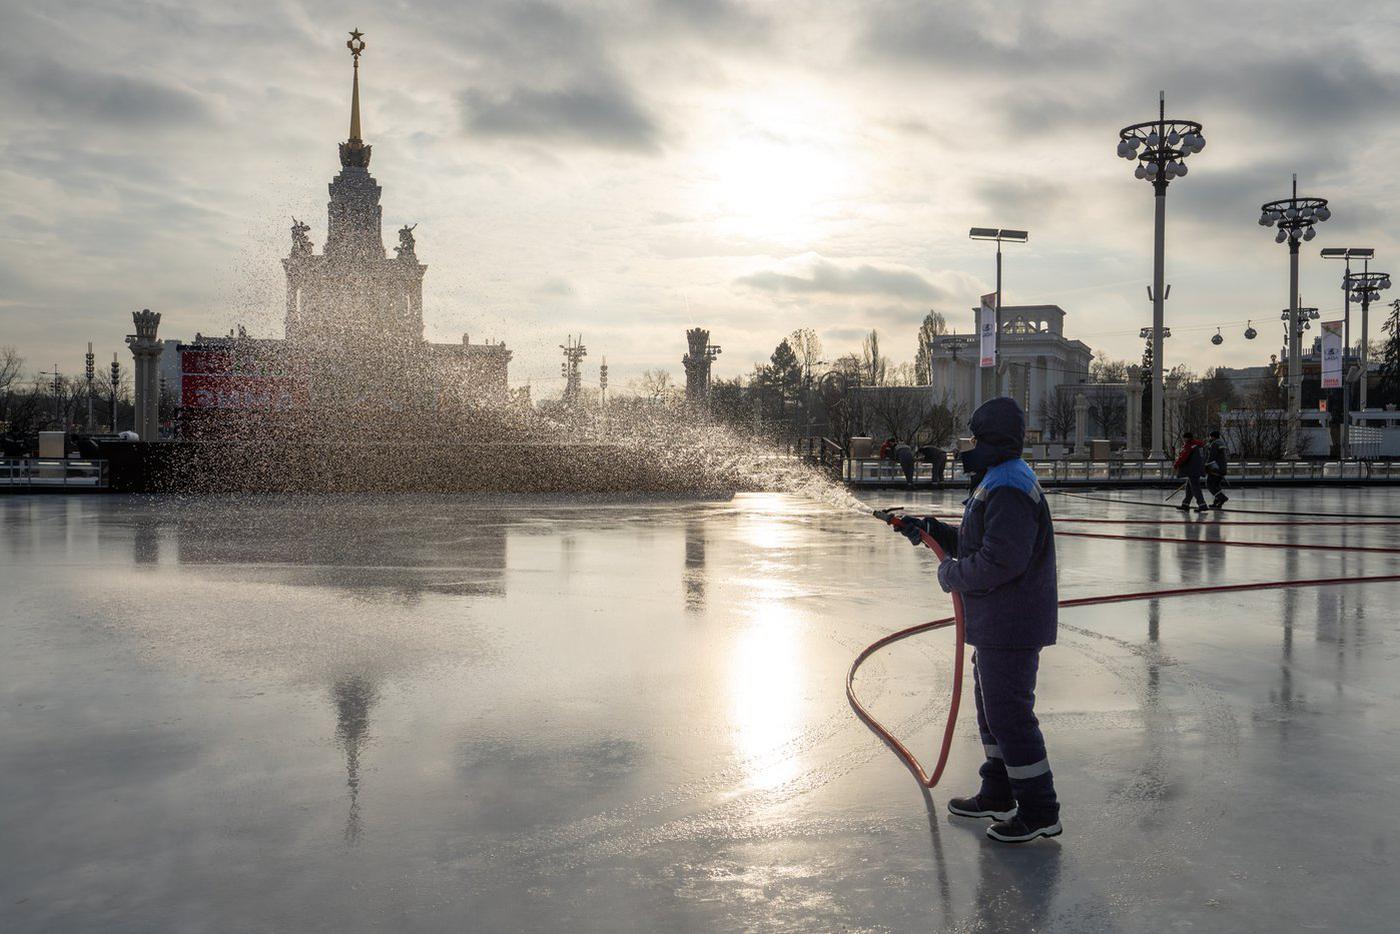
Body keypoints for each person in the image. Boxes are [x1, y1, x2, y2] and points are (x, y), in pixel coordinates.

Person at [893, 397, 1062, 844]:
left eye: (973, 436)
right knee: (992, 712)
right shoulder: (998, 478)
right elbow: (976, 538)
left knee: (1009, 715)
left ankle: (1040, 809)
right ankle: (999, 792)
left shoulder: (1007, 486)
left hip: (1012, 624)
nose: (968, 444)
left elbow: (1000, 560)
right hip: (998, 622)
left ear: (989, 439)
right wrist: (930, 528)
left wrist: (950, 574)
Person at [1173, 430, 1208, 511]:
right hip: (1199, 468)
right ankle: (1185, 504)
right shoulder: (1200, 445)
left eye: (1184, 439)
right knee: (1189, 487)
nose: (1184, 440)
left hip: (1192, 470)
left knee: (1195, 488)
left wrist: (1176, 464)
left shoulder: (1189, 445)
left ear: (1186, 438)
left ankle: (1202, 505)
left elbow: (1183, 457)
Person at [1204, 430, 1229, 508]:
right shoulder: (1221, 443)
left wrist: (1205, 465)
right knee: (1216, 485)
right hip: (1222, 468)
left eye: (1210, 437)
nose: (1209, 438)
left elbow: (1212, 457)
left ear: (1213, 437)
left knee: (1209, 484)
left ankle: (1222, 498)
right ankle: (1217, 503)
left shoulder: (1214, 444)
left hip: (1215, 468)